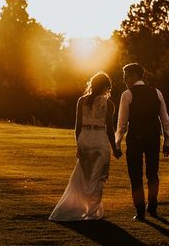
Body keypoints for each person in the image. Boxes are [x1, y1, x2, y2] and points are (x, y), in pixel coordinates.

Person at [49, 72, 120, 221]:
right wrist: (115, 149)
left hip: (85, 139)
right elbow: (109, 129)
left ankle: (85, 208)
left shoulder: (82, 101)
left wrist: (79, 143)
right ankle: (92, 211)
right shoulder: (109, 104)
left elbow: (78, 125)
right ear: (106, 87)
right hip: (100, 139)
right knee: (99, 176)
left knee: (85, 176)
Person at [115, 63, 169, 221]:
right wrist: (167, 140)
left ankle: (140, 211)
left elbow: (122, 123)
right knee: (153, 174)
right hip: (153, 138)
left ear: (133, 76)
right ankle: (152, 208)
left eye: (125, 76)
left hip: (135, 138)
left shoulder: (127, 94)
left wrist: (117, 143)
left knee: (136, 175)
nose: (124, 79)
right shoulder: (157, 93)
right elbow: (165, 119)